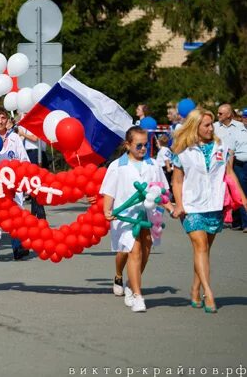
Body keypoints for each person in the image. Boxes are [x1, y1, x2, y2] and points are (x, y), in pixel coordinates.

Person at [171, 109, 247, 313]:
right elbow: (176, 181)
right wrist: (179, 204)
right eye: (206, 125)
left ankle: (195, 288)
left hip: (214, 205)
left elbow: (229, 174)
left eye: (211, 124)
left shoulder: (222, 146)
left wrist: (244, 198)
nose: (211, 128)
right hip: (191, 206)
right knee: (201, 247)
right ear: (195, 127)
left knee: (204, 251)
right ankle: (208, 293)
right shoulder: (182, 150)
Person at [100, 126, 173, 313]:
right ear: (127, 145)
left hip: (149, 216)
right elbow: (109, 191)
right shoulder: (117, 166)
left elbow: (161, 191)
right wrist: (106, 210)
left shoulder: (153, 164)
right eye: (138, 145)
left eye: (145, 145)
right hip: (126, 217)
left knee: (145, 250)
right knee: (133, 251)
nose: (142, 149)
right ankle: (136, 293)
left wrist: (171, 206)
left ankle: (131, 285)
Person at [0, 106, 30, 260]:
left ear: (8, 120)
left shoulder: (15, 138)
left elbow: (24, 159)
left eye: (3, 118)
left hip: (13, 183)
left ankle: (17, 247)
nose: (0, 121)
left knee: (15, 214)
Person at [214, 104, 247, 230]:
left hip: (233, 163)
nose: (218, 116)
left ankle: (240, 221)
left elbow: (233, 149)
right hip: (219, 163)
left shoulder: (239, 127)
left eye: (220, 113)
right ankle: (223, 218)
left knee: (238, 191)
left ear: (229, 114)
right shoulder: (214, 127)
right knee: (222, 190)